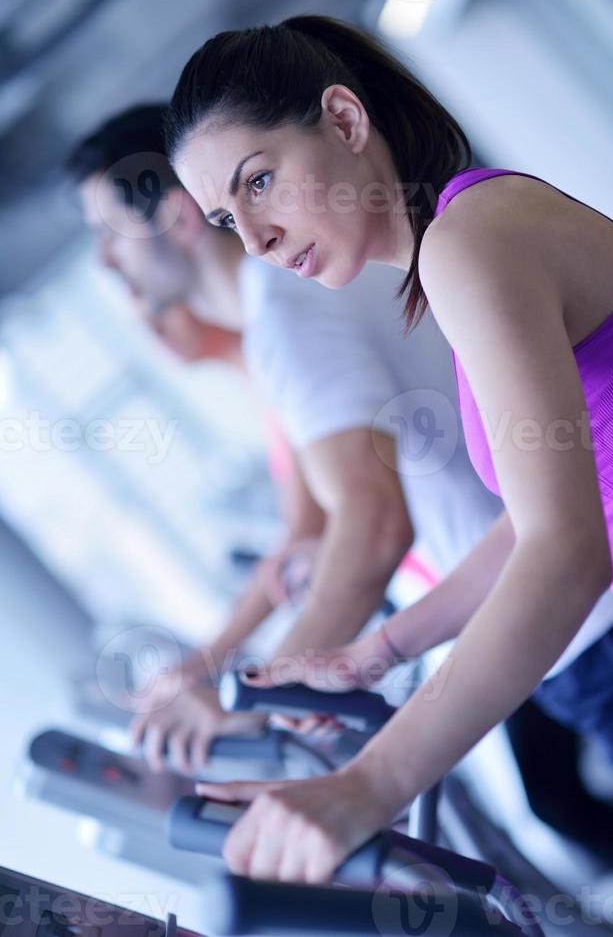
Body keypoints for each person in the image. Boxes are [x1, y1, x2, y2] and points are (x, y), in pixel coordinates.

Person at [164, 15, 613, 883]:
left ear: (346, 122)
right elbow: (561, 509)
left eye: (261, 181)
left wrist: (370, 784)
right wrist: (379, 651)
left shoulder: (473, 242)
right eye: (223, 217)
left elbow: (567, 552)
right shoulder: (460, 248)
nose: (255, 241)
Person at [66, 104, 507, 771]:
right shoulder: (283, 307)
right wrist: (218, 666)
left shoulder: (284, 313)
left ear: (179, 217)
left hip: (542, 594)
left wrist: (258, 688)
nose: (104, 260)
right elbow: (314, 529)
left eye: (110, 231)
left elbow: (375, 522)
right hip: (513, 595)